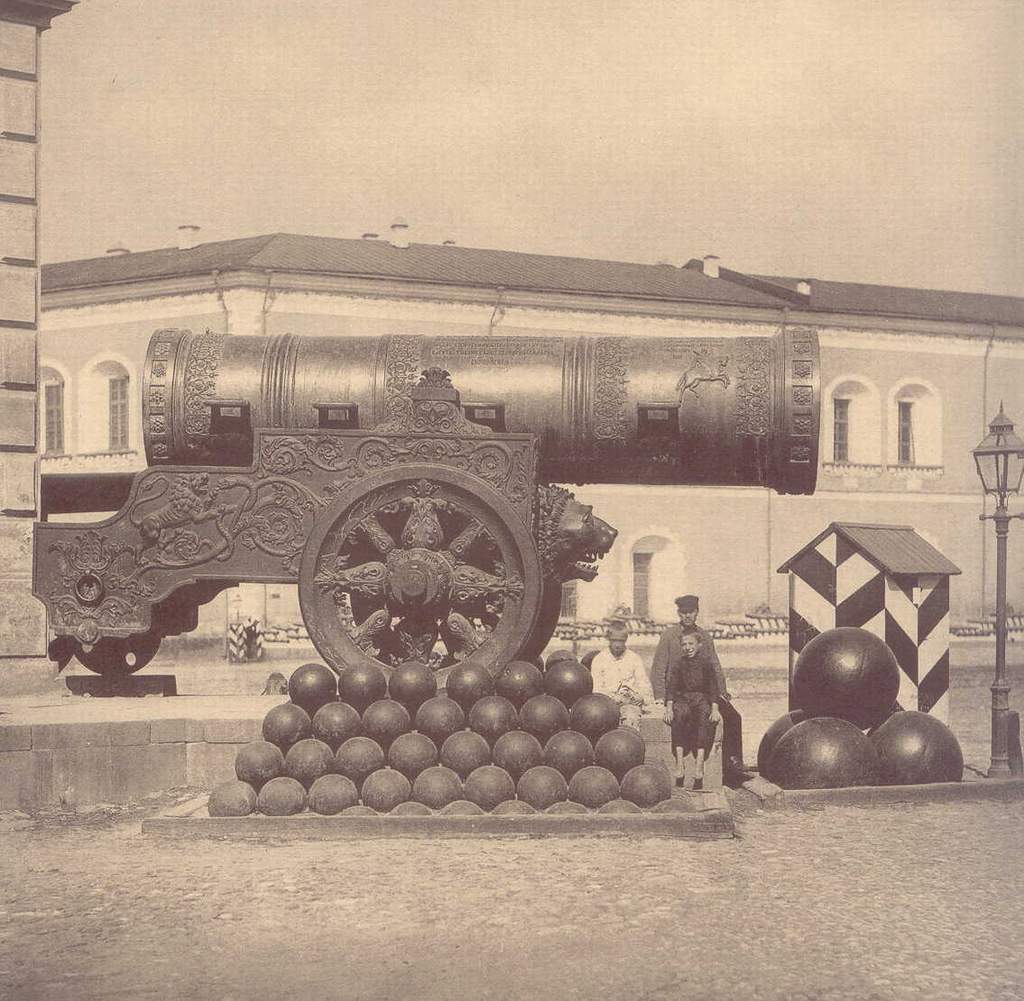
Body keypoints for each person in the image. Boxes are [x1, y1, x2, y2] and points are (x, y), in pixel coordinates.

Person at [652, 594, 753, 786]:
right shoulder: (669, 636)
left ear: (697, 612)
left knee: (733, 717)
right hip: (678, 693)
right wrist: (660, 697)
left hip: (704, 693)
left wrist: (722, 692)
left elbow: (714, 666)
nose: (687, 616)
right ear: (678, 613)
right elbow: (658, 668)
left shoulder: (704, 637)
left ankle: (733, 767)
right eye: (683, 612)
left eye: (691, 612)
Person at [662, 631, 721, 789]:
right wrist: (669, 708)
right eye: (684, 644)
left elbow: (713, 688)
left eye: (691, 644)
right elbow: (671, 687)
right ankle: (680, 764)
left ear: (699, 645)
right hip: (683, 699)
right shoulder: (678, 663)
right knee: (679, 715)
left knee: (704, 717)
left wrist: (715, 709)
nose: (687, 647)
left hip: (701, 698)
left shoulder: (706, 663)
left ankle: (699, 765)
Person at [587, 621, 655, 730]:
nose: (618, 645)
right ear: (608, 639)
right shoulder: (599, 659)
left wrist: (641, 697)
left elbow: (644, 685)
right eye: (614, 640)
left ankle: (630, 739)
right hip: (606, 704)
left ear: (626, 639)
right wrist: (614, 697)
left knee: (630, 717)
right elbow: (596, 689)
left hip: (629, 704)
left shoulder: (634, 659)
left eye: (621, 641)